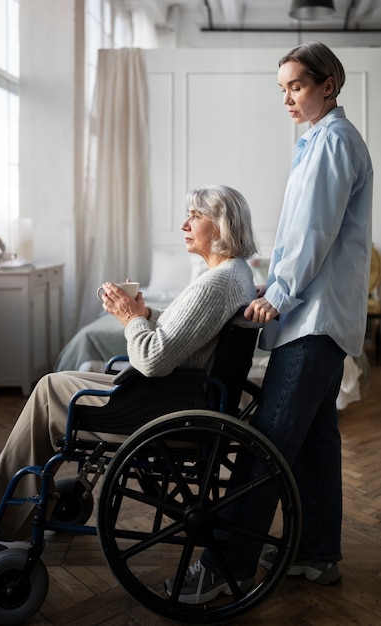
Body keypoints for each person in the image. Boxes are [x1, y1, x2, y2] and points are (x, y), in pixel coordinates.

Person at [169, 41, 373, 603]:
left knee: (267, 443)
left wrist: (277, 294)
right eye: (281, 88)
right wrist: (270, 284)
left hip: (313, 320)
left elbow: (313, 234)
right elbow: (302, 236)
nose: (286, 97)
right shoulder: (318, 142)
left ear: (328, 83)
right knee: (312, 443)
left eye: (296, 86)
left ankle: (221, 565)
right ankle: (316, 554)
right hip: (317, 317)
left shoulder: (332, 142)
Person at [0, 184, 258, 548]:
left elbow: (152, 359)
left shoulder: (216, 282)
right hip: (180, 393)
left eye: (195, 216)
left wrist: (129, 318)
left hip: (165, 402)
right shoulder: (236, 274)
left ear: (221, 227)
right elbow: (191, 328)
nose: (185, 224)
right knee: (55, 383)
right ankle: (4, 508)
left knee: (47, 391)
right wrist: (147, 313)